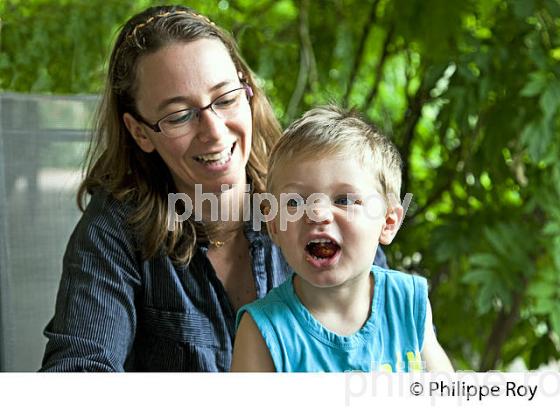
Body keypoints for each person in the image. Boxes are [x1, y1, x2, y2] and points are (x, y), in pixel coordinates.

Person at [40, 6, 388, 372]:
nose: (215, 132)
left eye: (225, 99)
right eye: (179, 116)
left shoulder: (321, 195)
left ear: (247, 91)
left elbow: (388, 344)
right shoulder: (115, 229)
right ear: (140, 131)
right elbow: (77, 375)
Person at [231, 105, 454, 372]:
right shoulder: (262, 332)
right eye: (295, 201)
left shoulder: (407, 303)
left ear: (388, 222)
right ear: (274, 225)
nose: (318, 213)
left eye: (344, 200)